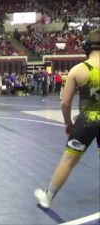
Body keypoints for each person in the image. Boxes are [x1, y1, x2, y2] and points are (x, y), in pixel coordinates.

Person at [34, 29, 100, 208]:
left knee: (68, 161)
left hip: (86, 121)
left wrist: (69, 123)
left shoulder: (78, 70)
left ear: (87, 47)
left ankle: (48, 198)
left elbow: (65, 104)